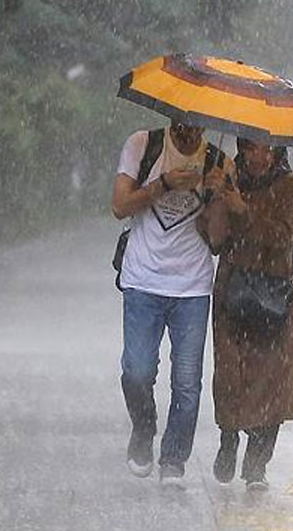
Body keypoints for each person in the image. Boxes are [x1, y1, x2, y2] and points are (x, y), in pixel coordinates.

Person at [110, 120, 229, 485]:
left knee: (187, 381)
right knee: (137, 371)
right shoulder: (143, 144)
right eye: (183, 124)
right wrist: (163, 184)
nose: (190, 133)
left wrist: (217, 195)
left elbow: (219, 241)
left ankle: (174, 459)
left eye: (197, 126)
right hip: (143, 281)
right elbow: (119, 205)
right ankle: (144, 429)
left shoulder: (218, 160)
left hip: (191, 287)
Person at [200, 137, 293, 492]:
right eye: (249, 148)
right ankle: (228, 437)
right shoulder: (229, 177)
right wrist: (215, 198)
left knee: (272, 379)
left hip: (275, 292)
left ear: (277, 151)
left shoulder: (292, 186)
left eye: (264, 148)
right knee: (230, 370)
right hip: (233, 289)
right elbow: (213, 241)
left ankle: (257, 465)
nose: (256, 155)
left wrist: (242, 207)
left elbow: (281, 235)